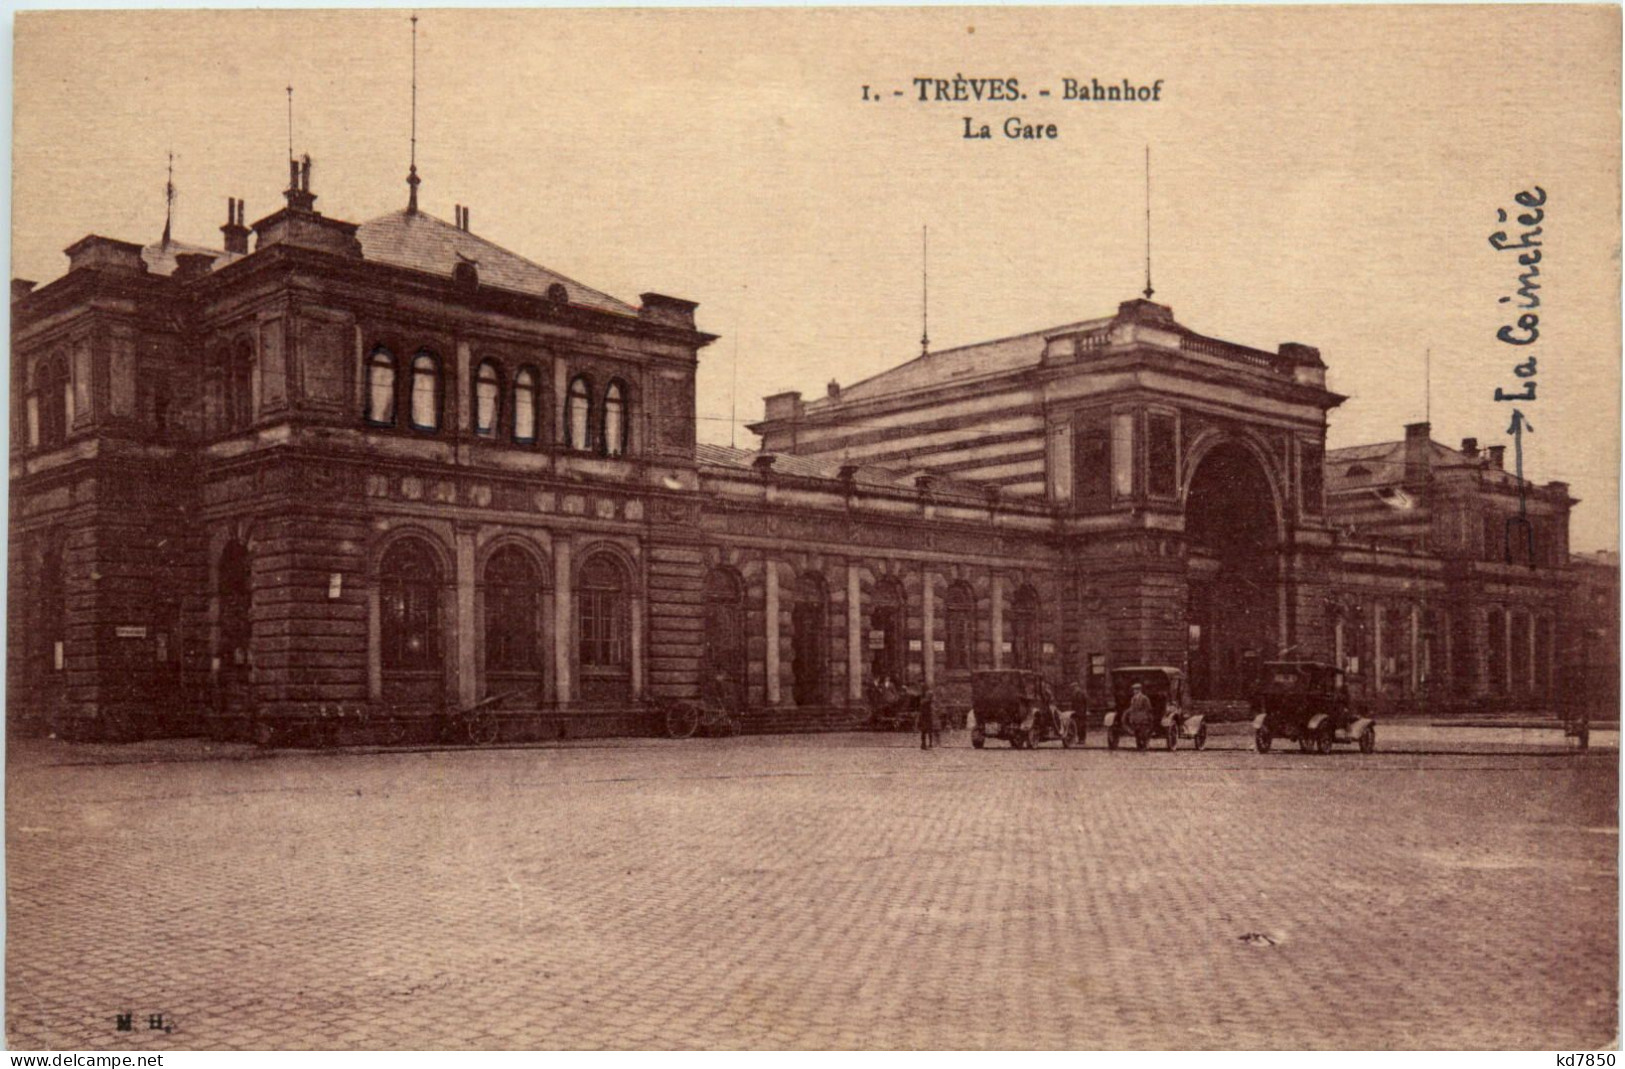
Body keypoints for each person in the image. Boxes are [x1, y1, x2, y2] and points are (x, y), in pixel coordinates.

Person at [917, 685, 938, 750]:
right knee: (929, 730)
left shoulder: (923, 700)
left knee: (924, 731)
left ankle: (924, 744)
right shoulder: (927, 700)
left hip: (924, 716)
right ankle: (928, 744)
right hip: (927, 716)